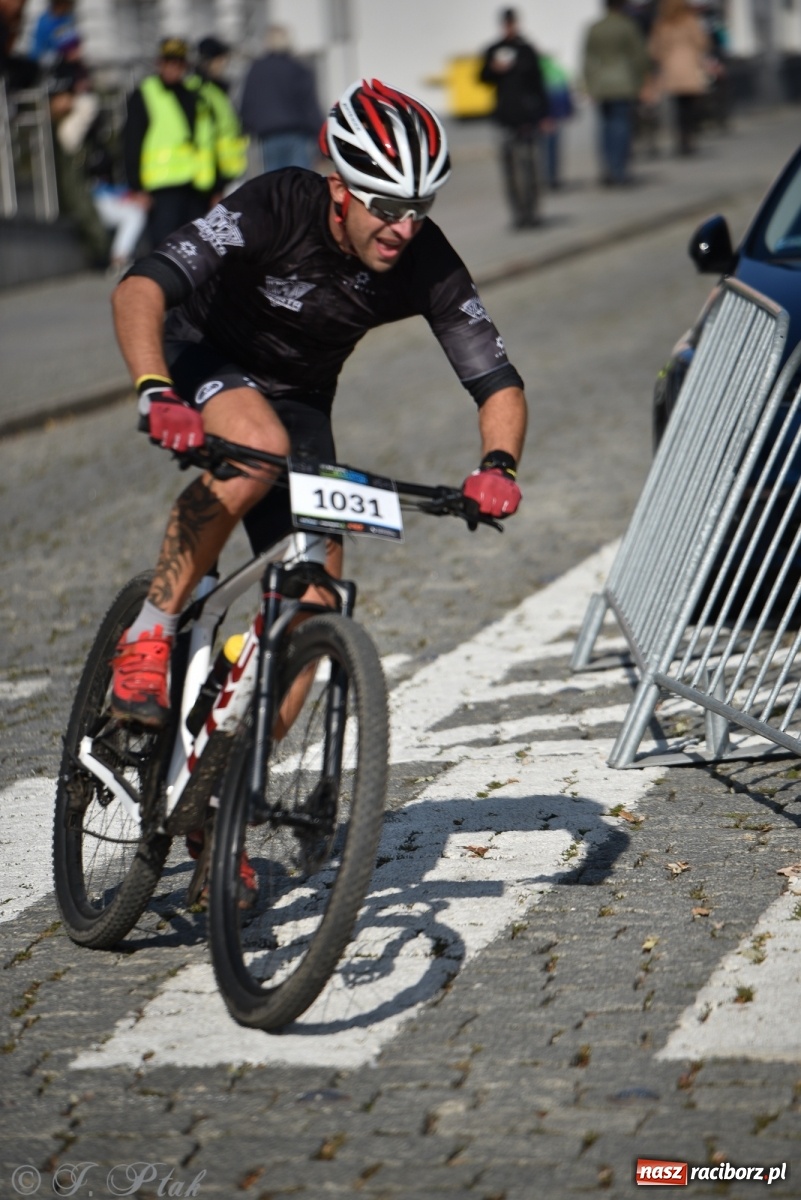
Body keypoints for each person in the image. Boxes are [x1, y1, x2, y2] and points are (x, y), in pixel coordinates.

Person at [109, 78, 527, 728]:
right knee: (257, 450)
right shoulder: (275, 203)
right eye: (385, 205)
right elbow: (140, 286)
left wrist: (497, 465)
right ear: (339, 187)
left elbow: (495, 380)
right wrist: (155, 390)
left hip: (300, 394)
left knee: (317, 595)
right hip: (203, 351)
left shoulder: (425, 258)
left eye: (419, 205)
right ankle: (148, 634)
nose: (403, 226)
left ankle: (223, 790)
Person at [123, 36, 215, 250]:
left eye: (178, 62)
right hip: (161, 188)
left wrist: (215, 184)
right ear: (159, 63)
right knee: (165, 249)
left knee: (196, 250)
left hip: (195, 184)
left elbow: (204, 141)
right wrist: (136, 186)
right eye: (168, 61)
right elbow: (131, 141)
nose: (173, 67)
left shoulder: (193, 94)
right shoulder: (145, 94)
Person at [479, 7, 549, 229]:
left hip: (526, 118)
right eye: (506, 24)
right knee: (509, 170)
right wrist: (494, 69)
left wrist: (545, 115)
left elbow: (539, 83)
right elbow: (483, 77)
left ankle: (532, 212)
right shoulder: (494, 50)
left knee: (529, 168)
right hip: (505, 118)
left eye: (512, 23)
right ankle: (518, 214)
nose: (509, 28)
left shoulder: (526, 49)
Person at [47, 35, 110, 267]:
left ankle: (99, 249)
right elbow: (57, 105)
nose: (79, 51)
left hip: (81, 144)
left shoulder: (77, 69)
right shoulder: (63, 71)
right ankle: (99, 250)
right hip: (71, 143)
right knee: (78, 199)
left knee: (81, 198)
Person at [238, 25, 323, 173]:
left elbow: (247, 103)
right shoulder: (297, 68)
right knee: (299, 181)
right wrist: (320, 132)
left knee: (274, 183)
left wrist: (248, 128)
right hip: (296, 134)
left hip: (268, 135)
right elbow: (309, 105)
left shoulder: (256, 70)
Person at [582, 0, 649, 185]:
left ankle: (607, 169)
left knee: (605, 127)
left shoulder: (595, 27)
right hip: (623, 81)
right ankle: (620, 170)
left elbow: (588, 58)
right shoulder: (627, 26)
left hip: (601, 84)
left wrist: (588, 84)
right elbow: (639, 56)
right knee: (621, 126)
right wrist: (640, 81)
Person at [648, 0, 711, 156]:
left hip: (671, 69)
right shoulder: (690, 20)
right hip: (689, 66)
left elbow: (654, 49)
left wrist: (664, 58)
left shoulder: (662, 24)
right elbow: (701, 42)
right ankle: (689, 139)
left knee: (678, 108)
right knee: (689, 106)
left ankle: (681, 140)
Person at [194, 34, 248, 199]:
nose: (224, 64)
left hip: (229, 173)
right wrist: (216, 185)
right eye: (221, 60)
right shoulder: (201, 91)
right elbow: (206, 139)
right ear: (208, 61)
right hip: (215, 179)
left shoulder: (216, 90)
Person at [538, 52, 574, 190]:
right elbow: (565, 95)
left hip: (542, 116)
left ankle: (546, 178)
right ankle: (552, 178)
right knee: (552, 149)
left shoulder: (535, 72)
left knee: (543, 150)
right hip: (554, 116)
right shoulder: (557, 70)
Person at [29, 0, 75, 65]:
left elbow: (69, 44)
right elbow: (38, 43)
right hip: (41, 58)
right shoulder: (43, 20)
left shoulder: (67, 20)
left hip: (62, 61)